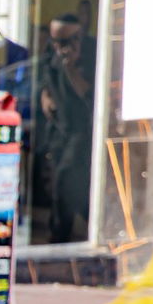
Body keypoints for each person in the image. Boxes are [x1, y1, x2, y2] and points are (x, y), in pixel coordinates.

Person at [39, 13, 96, 243]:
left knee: (67, 187)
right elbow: (45, 79)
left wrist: (71, 67)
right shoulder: (51, 56)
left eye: (64, 42)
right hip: (60, 133)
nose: (59, 47)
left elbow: (90, 96)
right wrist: (45, 96)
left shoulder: (91, 56)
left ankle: (60, 237)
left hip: (83, 136)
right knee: (63, 192)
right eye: (55, 42)